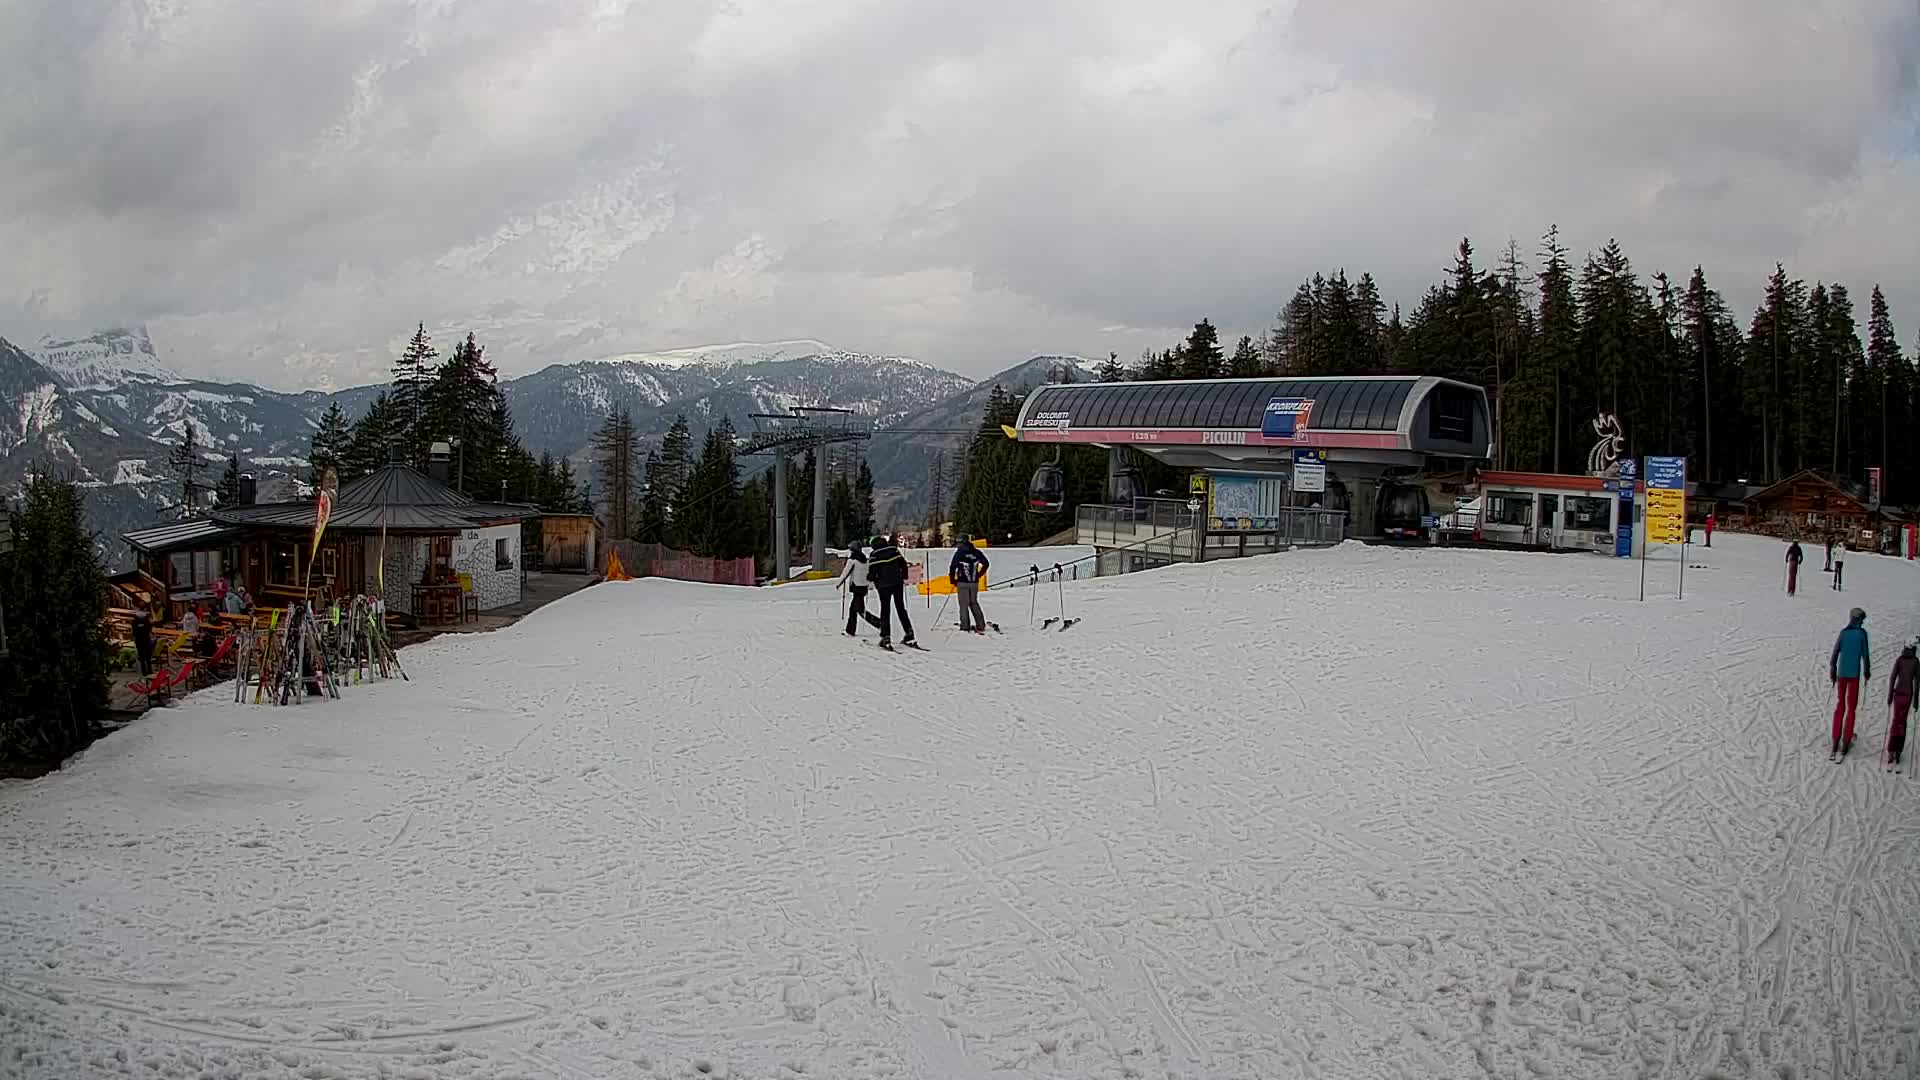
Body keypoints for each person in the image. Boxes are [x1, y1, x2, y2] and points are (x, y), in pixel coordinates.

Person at [1830, 607, 1871, 757]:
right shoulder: (1862, 634)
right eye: (1862, 619)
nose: (1862, 622)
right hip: (1854, 676)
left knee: (1840, 706)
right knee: (1851, 708)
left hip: (1841, 674)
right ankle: (1846, 741)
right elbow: (1865, 655)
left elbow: (1835, 653)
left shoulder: (1843, 633)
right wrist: (1867, 671)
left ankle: (1835, 739)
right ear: (1858, 619)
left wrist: (1833, 670)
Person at [865, 532, 916, 649]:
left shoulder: (874, 554)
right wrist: (904, 576)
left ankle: (886, 636)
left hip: (883, 586)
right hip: (897, 583)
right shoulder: (893, 550)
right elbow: (903, 564)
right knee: (901, 608)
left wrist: (870, 578)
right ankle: (909, 632)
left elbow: (872, 572)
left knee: (885, 610)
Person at [836, 540, 881, 638]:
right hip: (863, 587)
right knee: (858, 609)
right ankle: (877, 623)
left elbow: (845, 573)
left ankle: (852, 630)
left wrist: (838, 584)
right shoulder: (865, 559)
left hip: (856, 587)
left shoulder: (852, 560)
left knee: (856, 610)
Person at [950, 536, 991, 634]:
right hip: (974, 582)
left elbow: (953, 567)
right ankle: (980, 625)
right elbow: (986, 564)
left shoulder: (959, 553)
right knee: (974, 603)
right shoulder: (976, 552)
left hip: (962, 582)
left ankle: (965, 626)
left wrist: (953, 580)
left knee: (963, 605)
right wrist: (979, 574)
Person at [1886, 639, 1917, 767]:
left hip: (1898, 694)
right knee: (1903, 722)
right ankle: (1898, 750)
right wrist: (1916, 700)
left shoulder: (1899, 659)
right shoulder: (1916, 661)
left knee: (1895, 720)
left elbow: (1893, 677)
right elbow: (1917, 682)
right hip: (1908, 695)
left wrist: (1889, 695)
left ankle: (1891, 750)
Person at [131, 610, 154, 676]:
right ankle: (149, 671)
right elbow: (150, 629)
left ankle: (145, 673)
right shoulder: (146, 620)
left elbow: (134, 632)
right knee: (147, 657)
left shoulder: (135, 621)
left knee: (143, 658)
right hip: (146, 640)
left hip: (140, 641)